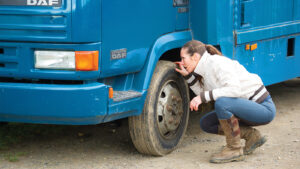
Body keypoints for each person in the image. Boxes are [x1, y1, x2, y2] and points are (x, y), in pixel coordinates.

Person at [175, 40, 276, 163]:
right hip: (245, 109)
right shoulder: (205, 68)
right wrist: (188, 77)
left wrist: (201, 98)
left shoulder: (217, 63)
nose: (182, 62)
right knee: (206, 123)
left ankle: (234, 149)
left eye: (183, 58)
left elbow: (235, 90)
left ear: (195, 57)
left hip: (263, 108)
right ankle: (252, 136)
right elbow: (205, 93)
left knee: (222, 103)